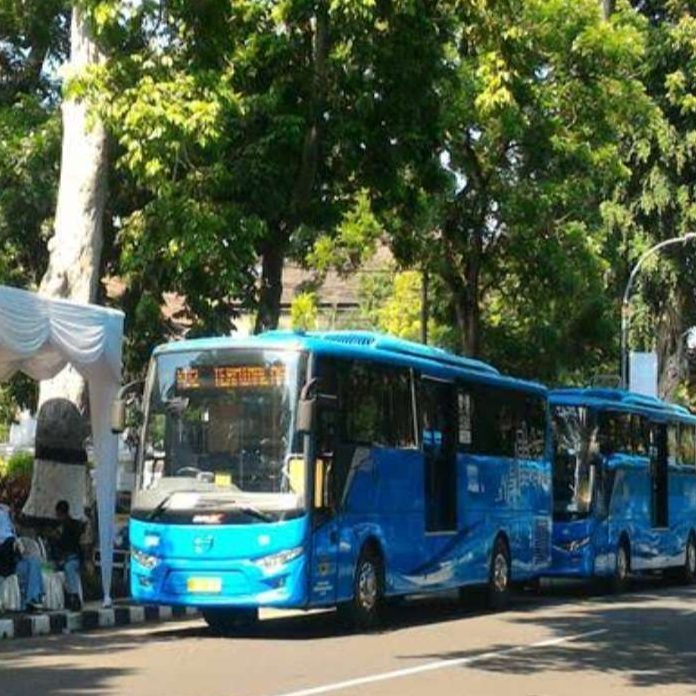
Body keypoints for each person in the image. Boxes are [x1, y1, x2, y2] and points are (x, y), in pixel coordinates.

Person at [0, 503, 44, 611]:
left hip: (11, 561)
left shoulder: (6, 514)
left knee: (32, 563)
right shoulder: (3, 515)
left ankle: (33, 598)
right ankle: (32, 598)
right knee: (30, 564)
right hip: (5, 563)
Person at [51, 500, 84, 611]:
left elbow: (71, 545)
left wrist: (57, 538)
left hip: (73, 558)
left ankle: (74, 596)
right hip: (63, 558)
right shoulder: (61, 526)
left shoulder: (72, 526)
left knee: (69, 568)